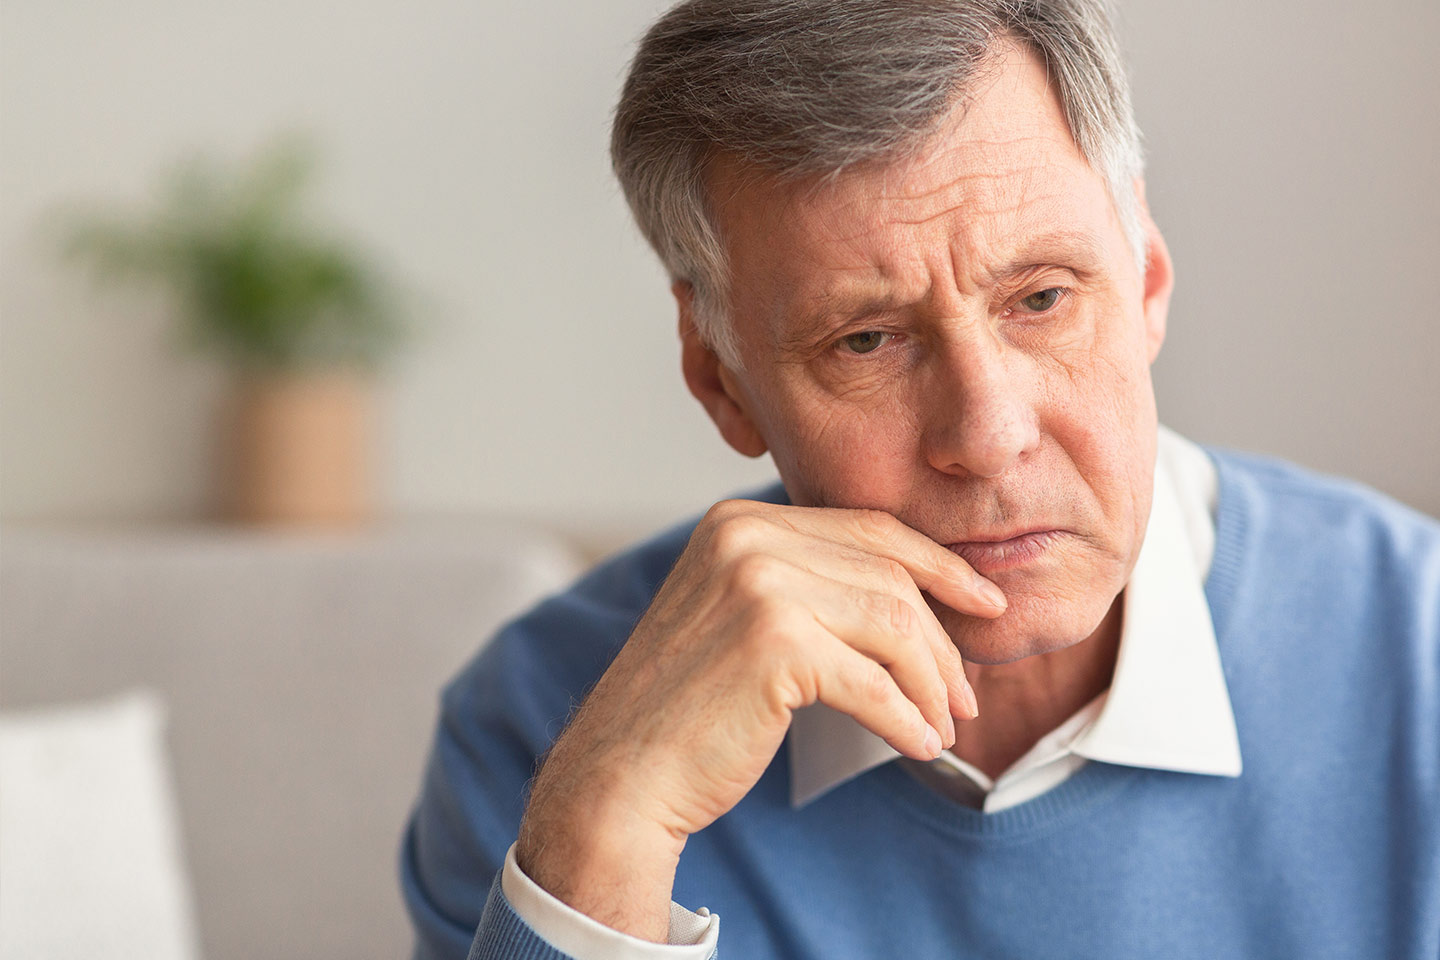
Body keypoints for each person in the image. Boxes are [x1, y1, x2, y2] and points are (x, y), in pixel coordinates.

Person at [400, 1, 1440, 957]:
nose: (988, 436)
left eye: (1041, 298)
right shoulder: (543, 741)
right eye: (865, 341)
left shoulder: (1418, 652)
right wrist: (605, 845)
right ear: (721, 379)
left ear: (1148, 280)